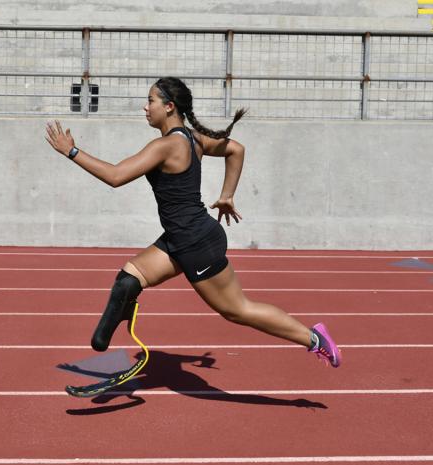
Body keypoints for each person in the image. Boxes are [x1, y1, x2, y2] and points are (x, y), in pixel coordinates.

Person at [44, 76, 340, 368]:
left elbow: (116, 176)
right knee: (128, 280)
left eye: (150, 101)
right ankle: (110, 330)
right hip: (180, 238)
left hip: (196, 243)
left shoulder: (167, 146)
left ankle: (314, 339)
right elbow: (236, 149)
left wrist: (71, 151)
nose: (145, 108)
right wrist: (226, 196)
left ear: (169, 106)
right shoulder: (192, 138)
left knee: (238, 310)